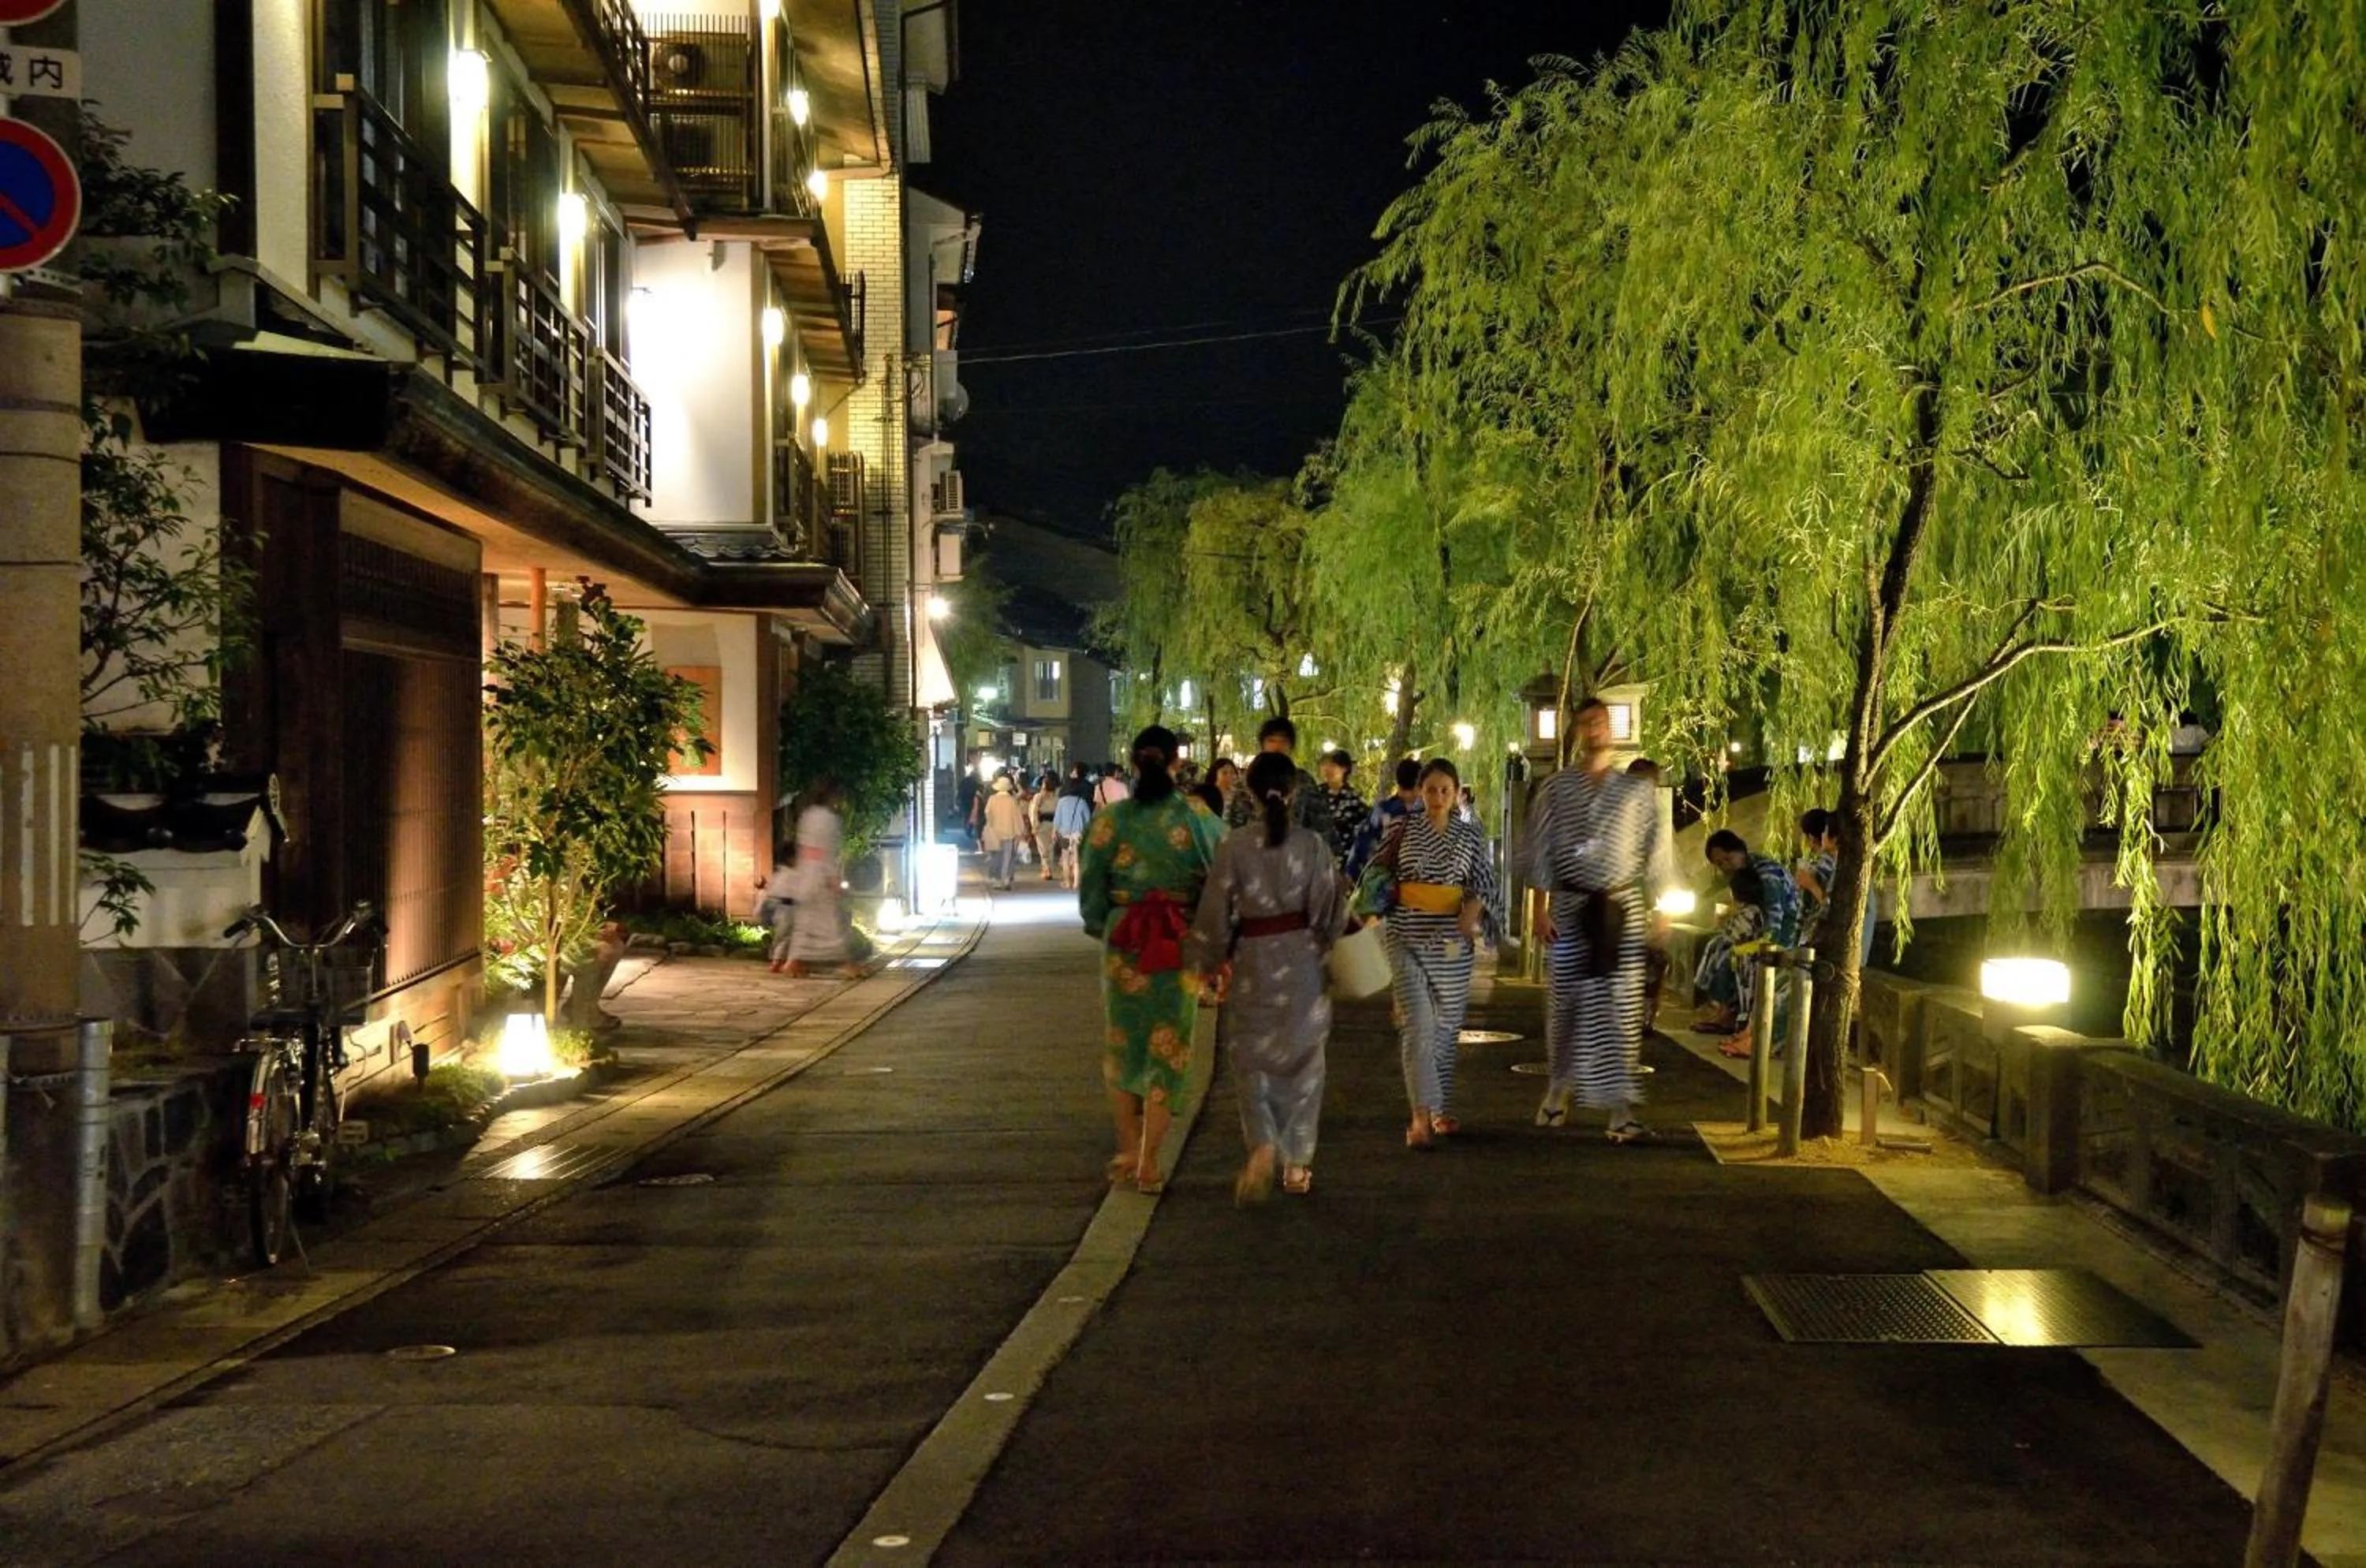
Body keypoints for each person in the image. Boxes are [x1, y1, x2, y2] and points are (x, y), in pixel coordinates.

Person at [1186, 751, 1346, 1200]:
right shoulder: (1311, 846)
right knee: (1304, 1065)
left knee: (1251, 1062)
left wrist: (1203, 962)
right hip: (1303, 967)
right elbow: (1330, 913)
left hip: (1253, 965)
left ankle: (1261, 1146)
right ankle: (1296, 1164)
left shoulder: (1233, 846)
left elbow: (1214, 912)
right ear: (1293, 792)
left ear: (1249, 793)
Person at [1079, 726, 1224, 1194]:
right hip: (1178, 942)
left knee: (1124, 1043)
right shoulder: (1197, 817)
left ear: (1135, 761)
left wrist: (1104, 923)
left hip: (1125, 940)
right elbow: (1221, 880)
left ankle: (1127, 1145)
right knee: (1169, 1047)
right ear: (1177, 761)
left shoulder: (1111, 821)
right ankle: (1149, 1162)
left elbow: (1090, 891)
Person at [1523, 698, 1674, 1143]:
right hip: (1571, 907)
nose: (1595, 731)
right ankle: (1556, 1091)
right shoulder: (1556, 789)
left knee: (1620, 1010)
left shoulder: (1635, 793)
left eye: (1601, 723)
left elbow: (1656, 852)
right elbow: (1540, 850)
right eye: (1586, 723)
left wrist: (1663, 906)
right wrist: (1538, 907)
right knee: (1565, 1004)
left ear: (1613, 731)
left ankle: (1619, 1112)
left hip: (1620, 909)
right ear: (1575, 732)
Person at [1375, 757, 1502, 1148]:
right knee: (1418, 1024)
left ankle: (1439, 1106)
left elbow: (1485, 881)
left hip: (1450, 939)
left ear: (1457, 793)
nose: (1438, 797)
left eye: (1446, 790)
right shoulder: (1401, 826)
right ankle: (1419, 1116)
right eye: (1431, 789)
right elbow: (1377, 870)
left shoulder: (1469, 835)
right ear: (1420, 791)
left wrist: (1473, 912)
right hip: (1405, 933)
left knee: (1446, 1026)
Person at [1692, 827, 1803, 1039]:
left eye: (1727, 859)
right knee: (1716, 945)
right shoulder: (1743, 869)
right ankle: (1722, 1008)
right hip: (1757, 928)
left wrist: (1769, 946)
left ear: (1740, 850)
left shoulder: (1768, 873)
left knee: (1733, 956)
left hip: (1782, 936)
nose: (1724, 866)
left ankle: (1730, 1015)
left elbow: (1776, 913)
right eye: (1719, 863)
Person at [783, 778, 864, 980]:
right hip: (820, 875)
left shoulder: (807, 815)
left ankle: (794, 962)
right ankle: (847, 964)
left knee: (805, 923)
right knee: (830, 924)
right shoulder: (830, 819)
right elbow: (826, 852)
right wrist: (833, 877)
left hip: (805, 873)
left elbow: (806, 847)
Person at [1627, 757, 1674, 1033]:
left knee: (1653, 959)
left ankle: (1647, 1013)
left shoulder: (1658, 813)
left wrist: (1664, 914)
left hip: (1648, 899)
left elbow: (1662, 866)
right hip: (1622, 898)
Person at [1225, 716, 1328, 835]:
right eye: (1271, 741)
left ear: (1291, 746)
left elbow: (1321, 823)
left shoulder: (1303, 780)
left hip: (1296, 848)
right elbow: (1231, 823)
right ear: (1262, 745)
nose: (1277, 746)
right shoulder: (1247, 780)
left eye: (1283, 741)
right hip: (1251, 847)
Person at [1346, 758, 1422, 880]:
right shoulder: (1425, 813)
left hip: (1381, 884)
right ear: (1419, 785)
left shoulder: (1382, 810)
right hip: (1413, 883)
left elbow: (1362, 845)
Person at [1314, 749, 1368, 867]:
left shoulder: (1354, 799)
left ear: (1345, 769)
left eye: (1332, 766)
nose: (1327, 769)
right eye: (1324, 765)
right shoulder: (1315, 795)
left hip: (1344, 861)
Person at [981, 771, 1029, 891]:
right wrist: (1021, 832)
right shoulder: (1012, 801)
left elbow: (987, 814)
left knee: (996, 857)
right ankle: (1006, 880)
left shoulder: (992, 799)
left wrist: (991, 824)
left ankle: (997, 881)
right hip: (1009, 833)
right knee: (1007, 857)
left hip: (995, 833)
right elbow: (1017, 817)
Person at [759, 838, 799, 973]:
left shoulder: (781, 874)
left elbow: (770, 891)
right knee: (786, 936)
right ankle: (778, 961)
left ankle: (779, 960)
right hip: (788, 909)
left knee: (784, 936)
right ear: (790, 858)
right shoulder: (790, 875)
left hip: (783, 909)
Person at [1053, 767, 1094, 890]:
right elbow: (1088, 819)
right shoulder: (1081, 802)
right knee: (1076, 860)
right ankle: (1076, 883)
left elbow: (1057, 819)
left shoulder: (1062, 801)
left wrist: (1054, 832)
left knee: (1065, 859)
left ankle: (1067, 882)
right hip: (1078, 834)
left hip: (1065, 834)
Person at [1032, 769, 1062, 881]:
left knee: (1043, 848)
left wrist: (1035, 826)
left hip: (1042, 824)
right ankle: (1048, 869)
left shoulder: (1039, 797)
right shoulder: (1058, 798)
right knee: (1050, 848)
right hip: (1054, 824)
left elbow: (1034, 812)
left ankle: (1047, 870)